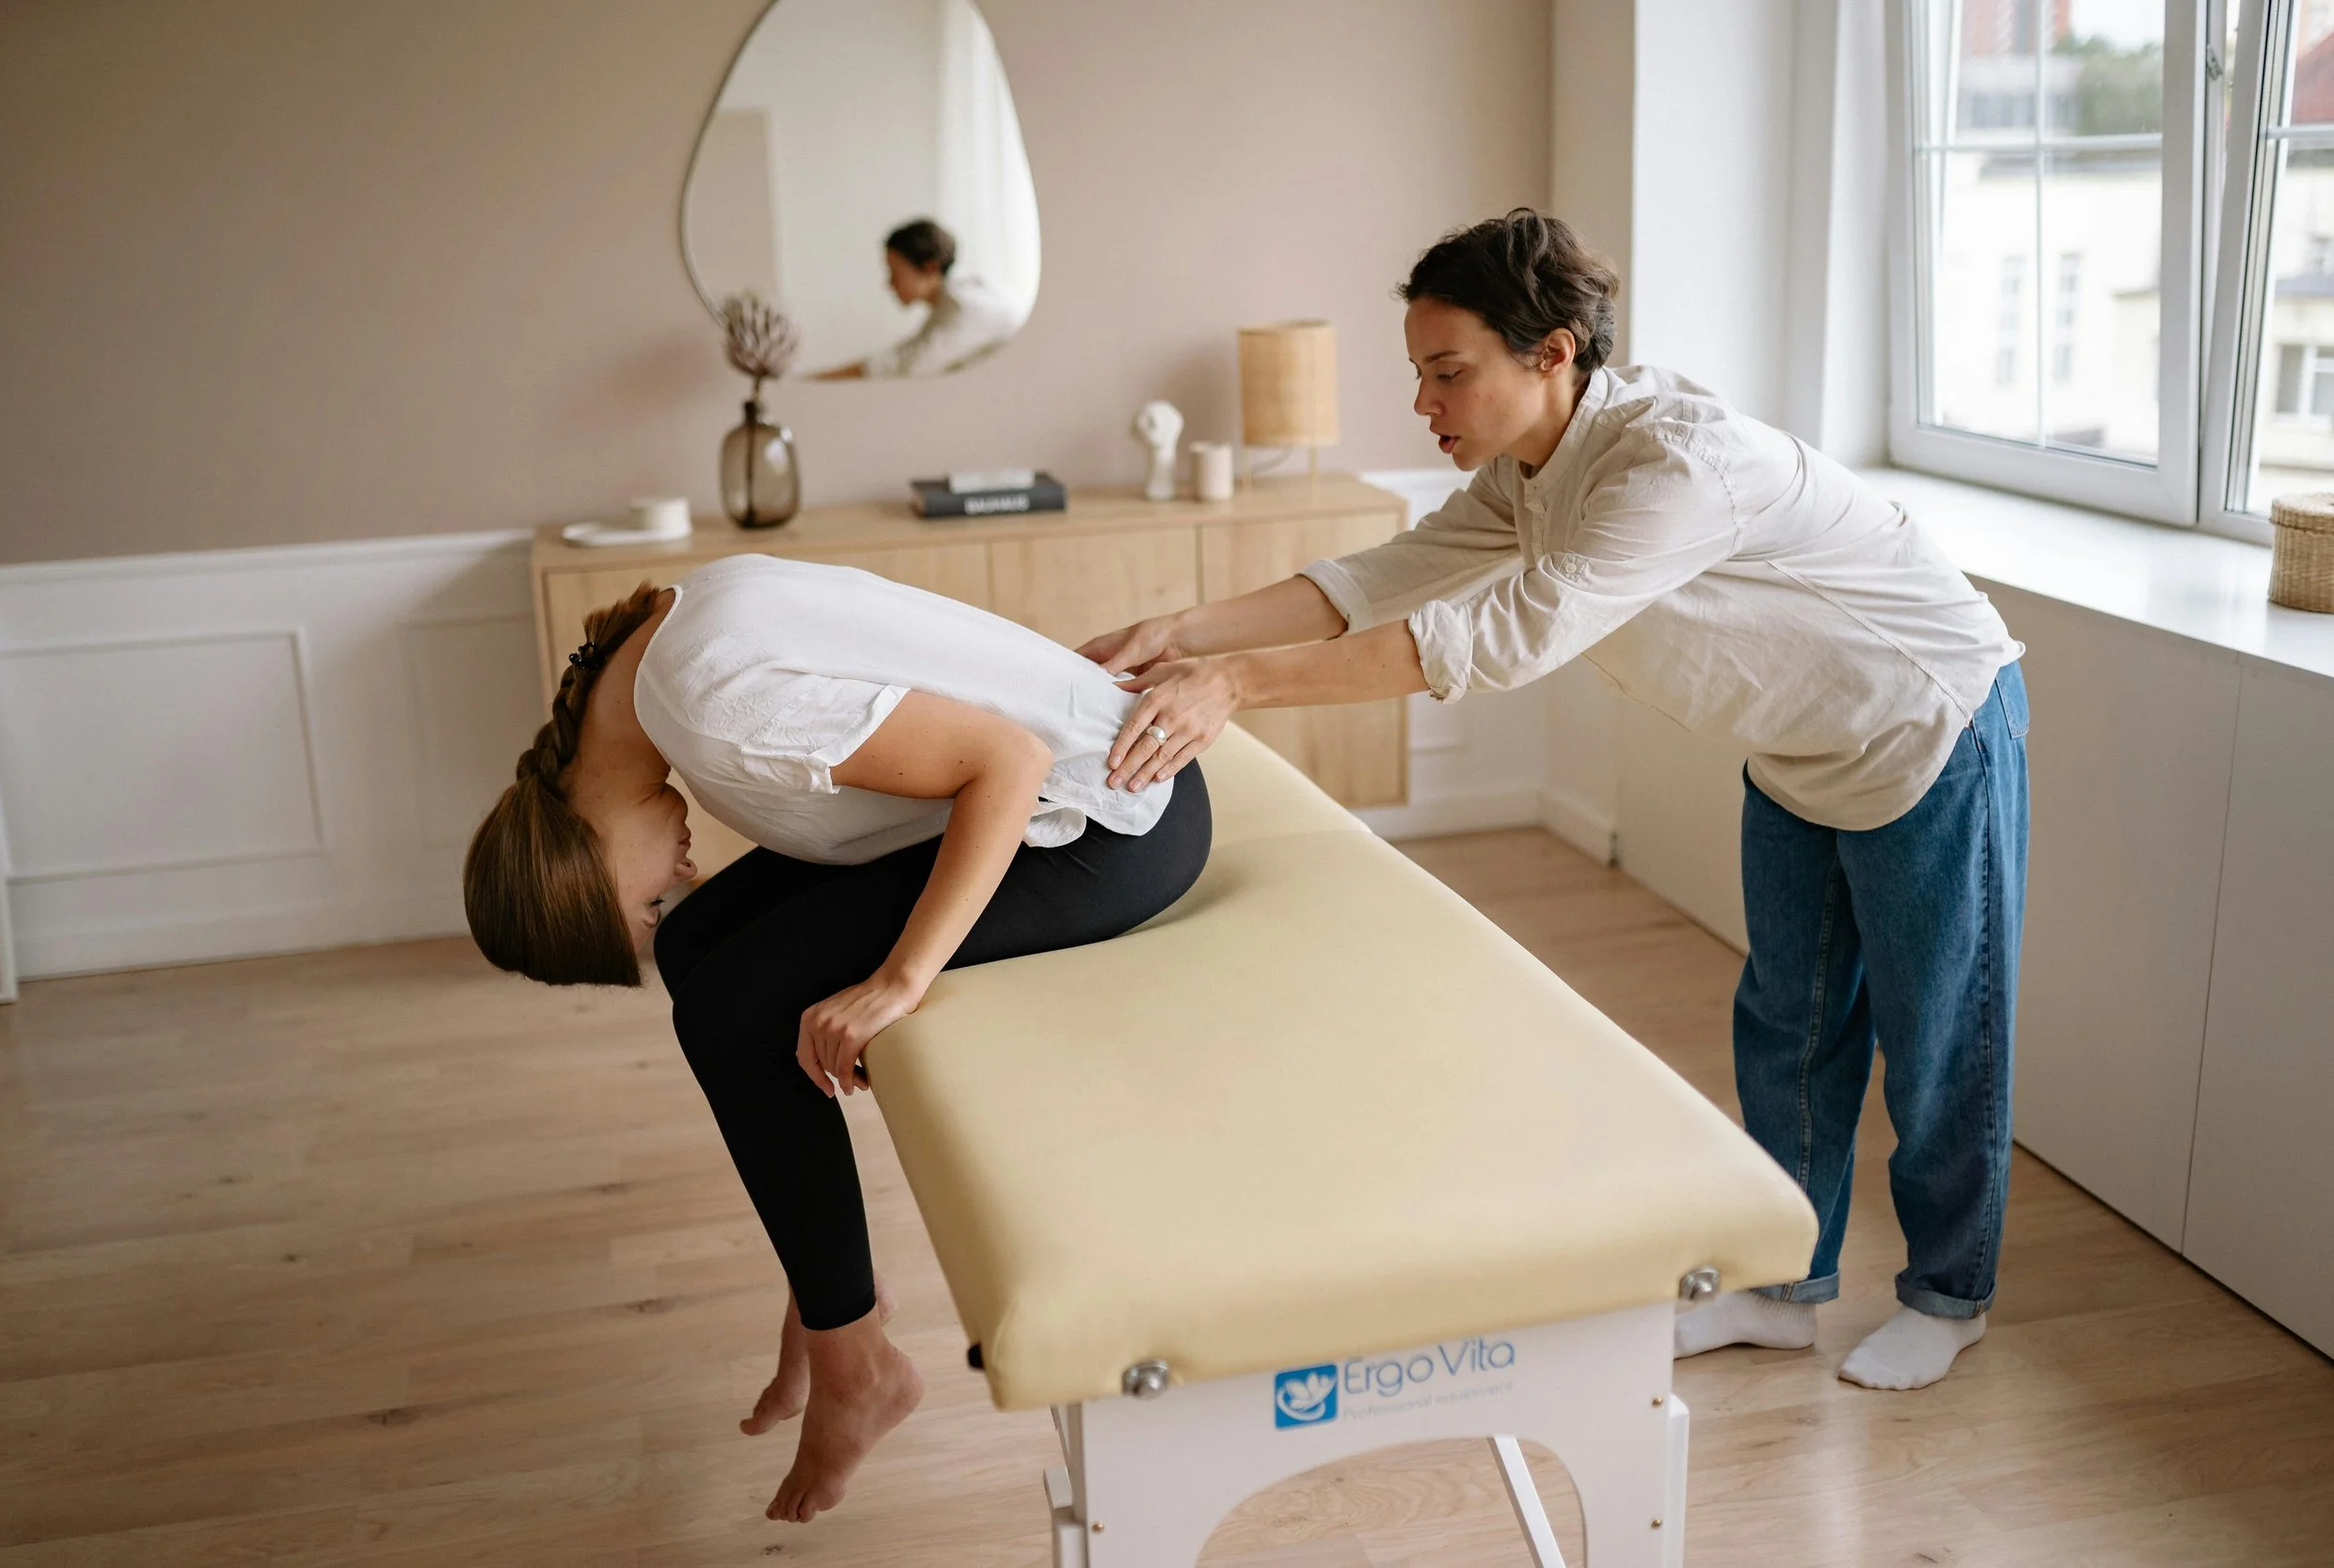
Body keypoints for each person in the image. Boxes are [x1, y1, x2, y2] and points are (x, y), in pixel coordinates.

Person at [1077, 209, 2029, 1394]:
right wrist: (1183, 630)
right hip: (1798, 749)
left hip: (1927, 722)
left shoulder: (1670, 467)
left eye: (1447, 372)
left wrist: (1234, 686)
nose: (1426, 404)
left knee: (1938, 1034)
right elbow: (1383, 580)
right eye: (1418, 374)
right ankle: (1781, 1287)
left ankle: (1950, 1293)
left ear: (1553, 350)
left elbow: (1505, 634)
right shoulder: (1529, 474)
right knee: (1789, 1020)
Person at [463, 554, 1210, 1521]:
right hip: (1058, 786)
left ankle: (853, 1358)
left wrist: (900, 980)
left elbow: (1011, 761)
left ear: (574, 864)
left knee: (729, 1006)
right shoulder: (642, 673)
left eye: (641, 902)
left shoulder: (706, 707)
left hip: (1110, 818)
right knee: (703, 949)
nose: (667, 888)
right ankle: (829, 1291)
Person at [814, 217, 1024, 379]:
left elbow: (906, 365)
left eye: (895, 273)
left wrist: (809, 383)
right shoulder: (954, 299)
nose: (889, 284)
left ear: (930, 267)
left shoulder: (966, 306)